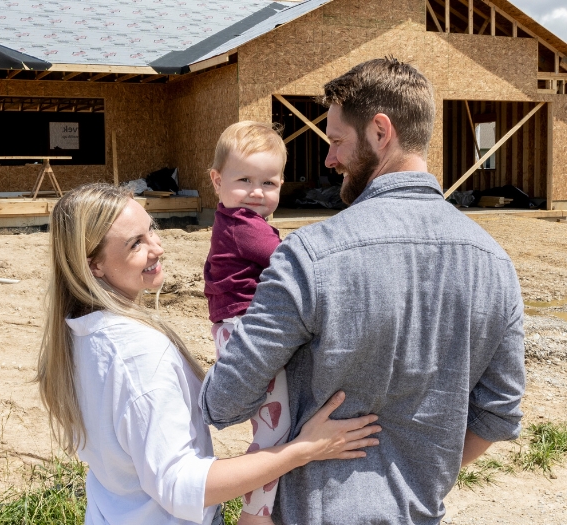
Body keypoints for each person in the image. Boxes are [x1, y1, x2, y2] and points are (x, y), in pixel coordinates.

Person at [201, 57, 526, 525]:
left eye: (335, 141)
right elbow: (499, 413)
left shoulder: (309, 256)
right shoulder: (496, 264)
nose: (329, 159)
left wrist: (294, 450)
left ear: (380, 131)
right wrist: (415, 476)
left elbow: (224, 403)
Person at [36, 183, 381, 525]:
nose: (157, 247)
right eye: (135, 244)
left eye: (151, 230)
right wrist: (303, 449)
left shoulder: (78, 334)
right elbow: (180, 485)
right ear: (93, 265)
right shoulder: (137, 354)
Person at [204, 121, 289, 524]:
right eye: (244, 180)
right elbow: (292, 262)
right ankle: (255, 514)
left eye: (269, 183)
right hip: (244, 331)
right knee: (275, 427)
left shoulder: (239, 221)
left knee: (273, 420)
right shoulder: (243, 227)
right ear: (217, 181)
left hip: (234, 326)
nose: (257, 192)